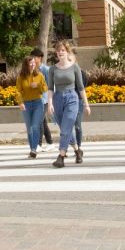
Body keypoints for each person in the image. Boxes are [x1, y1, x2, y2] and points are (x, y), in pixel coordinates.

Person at [44, 40, 90, 168]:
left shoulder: (75, 67)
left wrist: (86, 104)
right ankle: (77, 150)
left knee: (66, 128)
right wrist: (50, 104)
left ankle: (61, 156)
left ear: (67, 51)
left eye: (62, 50)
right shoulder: (52, 69)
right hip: (58, 99)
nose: (60, 53)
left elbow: (80, 87)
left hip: (72, 98)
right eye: (58, 51)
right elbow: (50, 88)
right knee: (66, 129)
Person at [15, 50, 48, 159]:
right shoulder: (21, 77)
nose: (33, 64)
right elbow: (18, 91)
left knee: (35, 127)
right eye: (31, 63)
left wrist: (37, 85)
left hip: (38, 103)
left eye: (34, 62)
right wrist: (20, 102)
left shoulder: (40, 75)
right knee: (29, 128)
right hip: (26, 104)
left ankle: (34, 149)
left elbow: (45, 88)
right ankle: (32, 148)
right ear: (26, 65)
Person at [33, 48, 55, 150]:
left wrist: (51, 100)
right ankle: (50, 143)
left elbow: (51, 85)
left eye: (35, 57)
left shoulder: (46, 69)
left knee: (39, 121)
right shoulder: (32, 70)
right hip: (36, 99)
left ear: (40, 58)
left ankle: (38, 144)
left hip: (45, 100)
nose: (33, 59)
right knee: (43, 122)